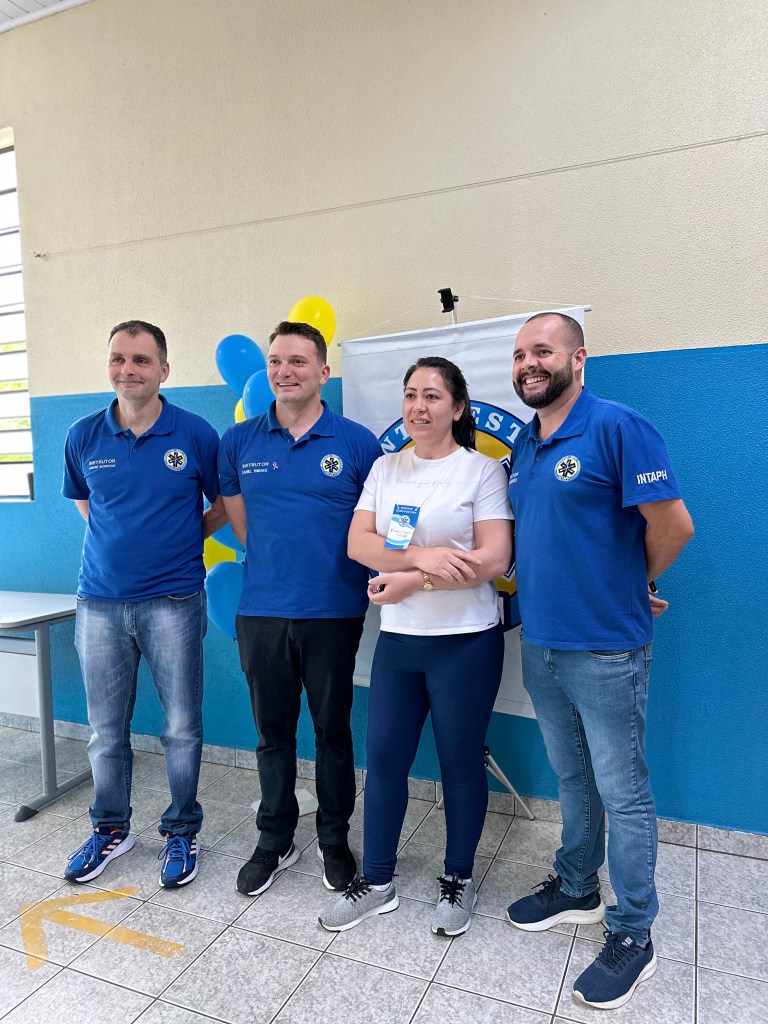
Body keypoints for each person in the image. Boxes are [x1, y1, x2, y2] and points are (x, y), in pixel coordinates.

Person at [504, 312, 694, 1010]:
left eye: (543, 350)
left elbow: (674, 525)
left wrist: (631, 584)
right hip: (542, 645)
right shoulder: (524, 444)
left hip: (608, 650)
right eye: (520, 354)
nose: (530, 363)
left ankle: (633, 932)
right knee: (573, 777)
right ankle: (577, 887)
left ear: (578, 358)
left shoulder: (617, 427)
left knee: (624, 792)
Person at [319, 356, 513, 937]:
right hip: (401, 643)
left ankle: (458, 878)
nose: (418, 406)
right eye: (410, 395)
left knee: (460, 763)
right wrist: (424, 557)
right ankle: (377, 882)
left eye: (431, 396)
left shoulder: (481, 471)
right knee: (384, 761)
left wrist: (414, 580)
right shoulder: (386, 468)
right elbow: (359, 544)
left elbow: (493, 560)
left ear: (458, 407)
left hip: (466, 643)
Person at [218, 321, 382, 897]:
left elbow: (375, 525)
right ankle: (275, 840)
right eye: (275, 361)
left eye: (297, 361)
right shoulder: (238, 442)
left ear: (323, 372)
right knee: (272, 735)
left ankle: (334, 840)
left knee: (332, 731)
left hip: (333, 611)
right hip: (261, 610)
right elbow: (243, 524)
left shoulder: (357, 443)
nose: (284, 371)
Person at [62, 319, 226, 888]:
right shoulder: (83, 435)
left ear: (164, 370)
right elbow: (87, 504)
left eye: (140, 360)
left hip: (174, 601)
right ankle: (111, 829)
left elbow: (224, 504)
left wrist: (181, 538)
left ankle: (182, 830)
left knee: (181, 727)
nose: (127, 369)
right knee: (105, 731)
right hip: (99, 604)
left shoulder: (195, 434)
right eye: (118, 358)